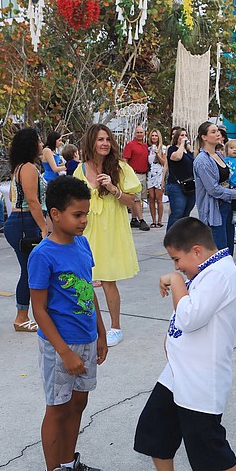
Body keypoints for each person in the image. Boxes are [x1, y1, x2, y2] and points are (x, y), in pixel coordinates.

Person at [131, 217, 236, 471]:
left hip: (202, 378)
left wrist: (177, 283)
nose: (177, 267)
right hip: (178, 372)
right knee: (155, 429)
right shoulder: (207, 271)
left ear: (196, 251)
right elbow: (187, 320)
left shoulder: (220, 274)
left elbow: (191, 317)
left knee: (207, 443)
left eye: (177, 260)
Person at [29, 176, 108, 471]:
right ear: (56, 214)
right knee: (57, 407)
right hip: (59, 345)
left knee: (78, 404)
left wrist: (101, 333)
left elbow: (88, 291)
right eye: (77, 215)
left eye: (86, 214)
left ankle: (67, 463)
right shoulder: (43, 255)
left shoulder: (82, 245)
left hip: (86, 340)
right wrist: (63, 350)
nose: (83, 221)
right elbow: (39, 309)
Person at [73, 124, 141, 346]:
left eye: (108, 140)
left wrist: (113, 188)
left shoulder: (120, 168)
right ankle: (88, 325)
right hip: (87, 229)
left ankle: (115, 327)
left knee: (108, 280)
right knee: (83, 280)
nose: (104, 144)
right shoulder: (80, 170)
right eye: (100, 139)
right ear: (91, 142)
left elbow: (132, 201)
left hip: (111, 228)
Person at [3, 128, 48, 333]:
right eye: (38, 141)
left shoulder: (19, 168)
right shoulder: (28, 168)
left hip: (19, 221)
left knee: (30, 270)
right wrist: (44, 227)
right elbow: (32, 201)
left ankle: (26, 315)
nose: (41, 145)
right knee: (29, 272)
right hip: (24, 222)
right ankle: (21, 317)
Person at [193, 121, 236, 253]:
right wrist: (234, 194)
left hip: (226, 204)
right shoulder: (202, 160)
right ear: (204, 137)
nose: (217, 134)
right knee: (218, 251)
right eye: (213, 132)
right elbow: (213, 189)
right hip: (214, 209)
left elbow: (226, 179)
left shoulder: (219, 155)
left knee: (228, 248)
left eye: (218, 131)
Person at [166, 127, 196, 230]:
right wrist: (182, 145)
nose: (184, 137)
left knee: (186, 213)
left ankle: (182, 237)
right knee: (177, 212)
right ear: (177, 137)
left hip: (189, 185)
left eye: (185, 135)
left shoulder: (188, 151)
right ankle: (170, 237)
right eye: (181, 135)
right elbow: (177, 157)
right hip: (176, 185)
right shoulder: (172, 149)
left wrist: (189, 149)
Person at [123, 125, 151, 232]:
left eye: (141, 132)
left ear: (144, 134)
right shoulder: (130, 145)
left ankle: (134, 219)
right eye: (138, 132)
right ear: (135, 134)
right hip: (134, 174)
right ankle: (142, 220)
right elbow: (125, 159)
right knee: (137, 199)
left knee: (140, 198)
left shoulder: (145, 146)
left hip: (144, 174)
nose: (139, 134)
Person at [146, 129, 168, 228]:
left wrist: (157, 154)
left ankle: (159, 221)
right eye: (152, 135)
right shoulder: (148, 148)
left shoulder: (163, 148)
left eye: (156, 135)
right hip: (150, 173)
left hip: (159, 173)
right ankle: (153, 220)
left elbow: (164, 163)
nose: (154, 137)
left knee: (159, 198)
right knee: (151, 197)